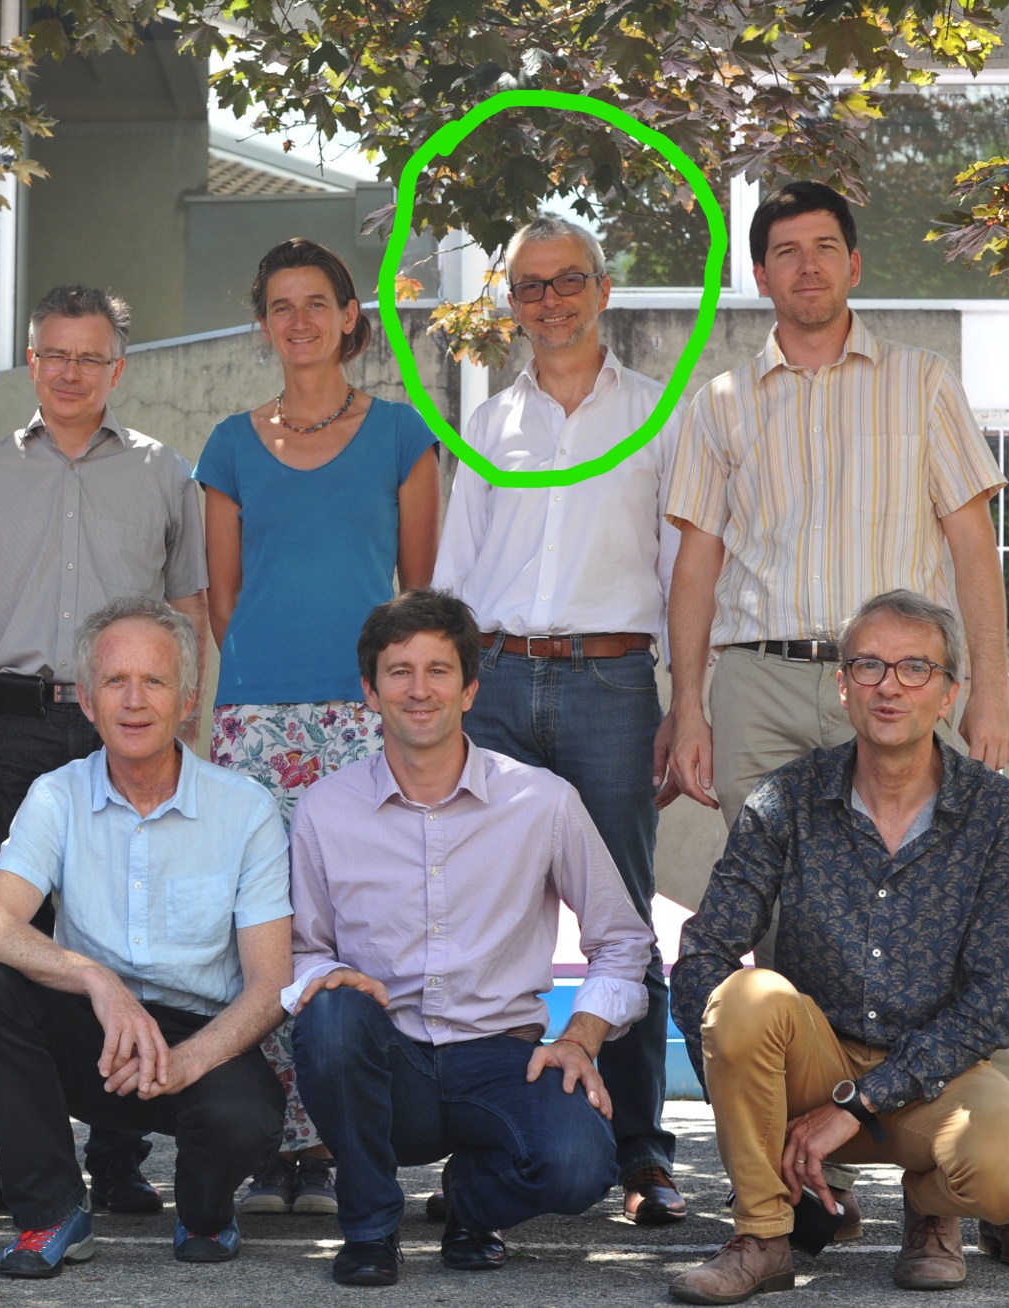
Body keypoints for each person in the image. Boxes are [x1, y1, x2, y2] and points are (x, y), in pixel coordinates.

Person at [662, 181, 1009, 1251]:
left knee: (949, 904)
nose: (807, 265)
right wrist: (686, 703)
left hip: (897, 677)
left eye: (825, 246)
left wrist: (991, 695)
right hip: (760, 679)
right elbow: (696, 563)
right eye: (785, 250)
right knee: (768, 938)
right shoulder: (719, 401)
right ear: (759, 275)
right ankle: (800, 1184)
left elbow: (972, 545)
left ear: (854, 263)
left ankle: (966, 1194)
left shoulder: (922, 382)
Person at [668, 591, 1009, 1303]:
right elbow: (703, 955)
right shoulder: (784, 800)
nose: (890, 686)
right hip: (809, 1066)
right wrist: (742, 1098)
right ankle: (763, 1235)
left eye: (915, 668)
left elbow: (994, 1004)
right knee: (745, 998)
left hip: (935, 1081)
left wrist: (859, 1103)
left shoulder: (1000, 818)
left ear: (948, 695)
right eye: (869, 666)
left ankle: (931, 1208)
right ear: (843, 686)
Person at [0, 284, 209, 1214]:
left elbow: (191, 610)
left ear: (116, 369)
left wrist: (186, 721)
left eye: (91, 357)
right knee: (13, 947)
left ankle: (120, 1157)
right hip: (10, 730)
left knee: (126, 933)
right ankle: (28, 1158)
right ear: (33, 361)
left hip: (126, 726)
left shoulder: (165, 474)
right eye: (56, 354)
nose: (72, 372)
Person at [431, 214, 686, 1225]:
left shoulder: (661, 414)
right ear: (512, 304)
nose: (550, 301)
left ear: (604, 288)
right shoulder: (490, 424)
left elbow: (682, 570)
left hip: (612, 685)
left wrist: (685, 701)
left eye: (567, 280)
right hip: (495, 685)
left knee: (623, 914)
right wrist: (446, 696)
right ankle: (493, 1145)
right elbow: (455, 572)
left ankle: (642, 1156)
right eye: (530, 287)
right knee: (487, 918)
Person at [287, 588, 656, 1285]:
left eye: (438, 670)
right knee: (329, 1015)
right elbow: (305, 951)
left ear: (470, 690)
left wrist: (580, 1037)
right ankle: (370, 1230)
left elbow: (622, 940)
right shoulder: (325, 810)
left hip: (502, 1058)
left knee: (581, 1165)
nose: (418, 689)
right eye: (399, 671)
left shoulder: (541, 800)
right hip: (388, 1060)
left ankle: (472, 1203)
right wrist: (327, 979)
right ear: (370, 691)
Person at [196, 236, 440, 1215]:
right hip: (253, 719)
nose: (298, 321)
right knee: (262, 925)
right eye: (280, 306)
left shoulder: (402, 435)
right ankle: (273, 1136)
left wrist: (385, 701)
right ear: (263, 325)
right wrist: (268, 684)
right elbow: (223, 602)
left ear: (348, 318)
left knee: (357, 920)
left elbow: (418, 598)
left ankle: (344, 1134)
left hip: (363, 718)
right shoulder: (228, 445)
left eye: (316, 304)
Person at [0, 597, 289, 1277]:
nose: (134, 701)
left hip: (198, 1039)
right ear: (87, 701)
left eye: (154, 681)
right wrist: (97, 981)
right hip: (94, 1033)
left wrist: (184, 1062)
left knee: (248, 1118)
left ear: (186, 701)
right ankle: (51, 1212)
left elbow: (272, 984)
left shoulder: (245, 809)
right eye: (115, 682)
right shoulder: (57, 795)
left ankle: (205, 1212)